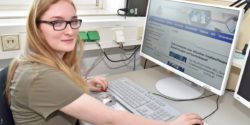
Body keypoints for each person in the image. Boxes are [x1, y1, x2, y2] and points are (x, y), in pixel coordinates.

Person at [5, 0, 204, 125]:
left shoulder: (35, 60)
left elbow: (56, 87)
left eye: (73, 20)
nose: (69, 30)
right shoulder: (39, 76)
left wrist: (81, 83)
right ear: (37, 27)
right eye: (57, 22)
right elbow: (111, 119)